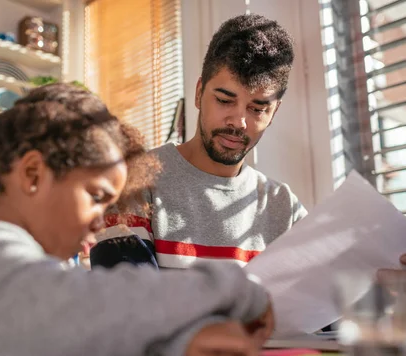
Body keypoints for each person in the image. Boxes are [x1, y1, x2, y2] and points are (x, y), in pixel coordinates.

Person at [0, 84, 274, 356]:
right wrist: (234, 287)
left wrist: (179, 342)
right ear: (32, 174)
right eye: (96, 196)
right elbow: (78, 307)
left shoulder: (42, 278)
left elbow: (90, 334)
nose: (105, 220)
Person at [91, 14, 307, 270]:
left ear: (274, 113)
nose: (239, 122)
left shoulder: (284, 208)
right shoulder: (135, 180)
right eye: (225, 100)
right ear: (198, 93)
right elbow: (129, 303)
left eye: (257, 109)